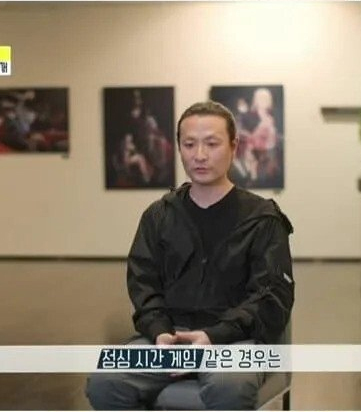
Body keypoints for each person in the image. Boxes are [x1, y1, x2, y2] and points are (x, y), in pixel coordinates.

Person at [86, 101, 294, 410]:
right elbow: (144, 286)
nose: (199, 155)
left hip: (236, 340)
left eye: (212, 143)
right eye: (189, 144)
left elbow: (271, 296)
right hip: (168, 338)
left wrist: (213, 336)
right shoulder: (160, 215)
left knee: (229, 386)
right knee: (105, 382)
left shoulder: (263, 219)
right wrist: (159, 332)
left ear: (234, 146)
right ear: (179, 148)